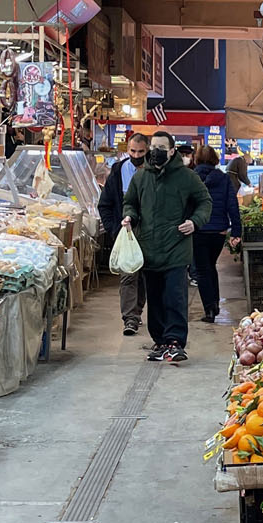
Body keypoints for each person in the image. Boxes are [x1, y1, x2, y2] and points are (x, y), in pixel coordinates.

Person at [121, 131, 212, 363]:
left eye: (161, 147)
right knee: (155, 298)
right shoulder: (141, 178)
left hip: (176, 249)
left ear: (172, 151)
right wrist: (129, 217)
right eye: (154, 146)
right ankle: (160, 341)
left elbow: (204, 201)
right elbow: (130, 202)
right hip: (149, 249)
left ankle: (175, 342)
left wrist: (195, 222)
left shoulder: (187, 177)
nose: (156, 151)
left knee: (175, 296)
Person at [99, 131, 150, 334]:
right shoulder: (118, 172)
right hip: (126, 233)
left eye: (141, 151)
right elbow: (105, 204)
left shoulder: (155, 172)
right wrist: (114, 229)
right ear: (127, 150)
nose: (136, 155)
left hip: (149, 234)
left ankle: (136, 311)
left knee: (145, 276)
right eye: (132, 151)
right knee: (128, 275)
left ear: (147, 151)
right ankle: (130, 318)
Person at [192, 146, 241, 325]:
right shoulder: (224, 178)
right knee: (210, 266)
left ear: (196, 159)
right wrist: (236, 230)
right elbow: (232, 205)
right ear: (215, 159)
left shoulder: (191, 178)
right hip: (219, 231)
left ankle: (210, 309)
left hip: (197, 230)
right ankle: (214, 303)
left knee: (203, 270)